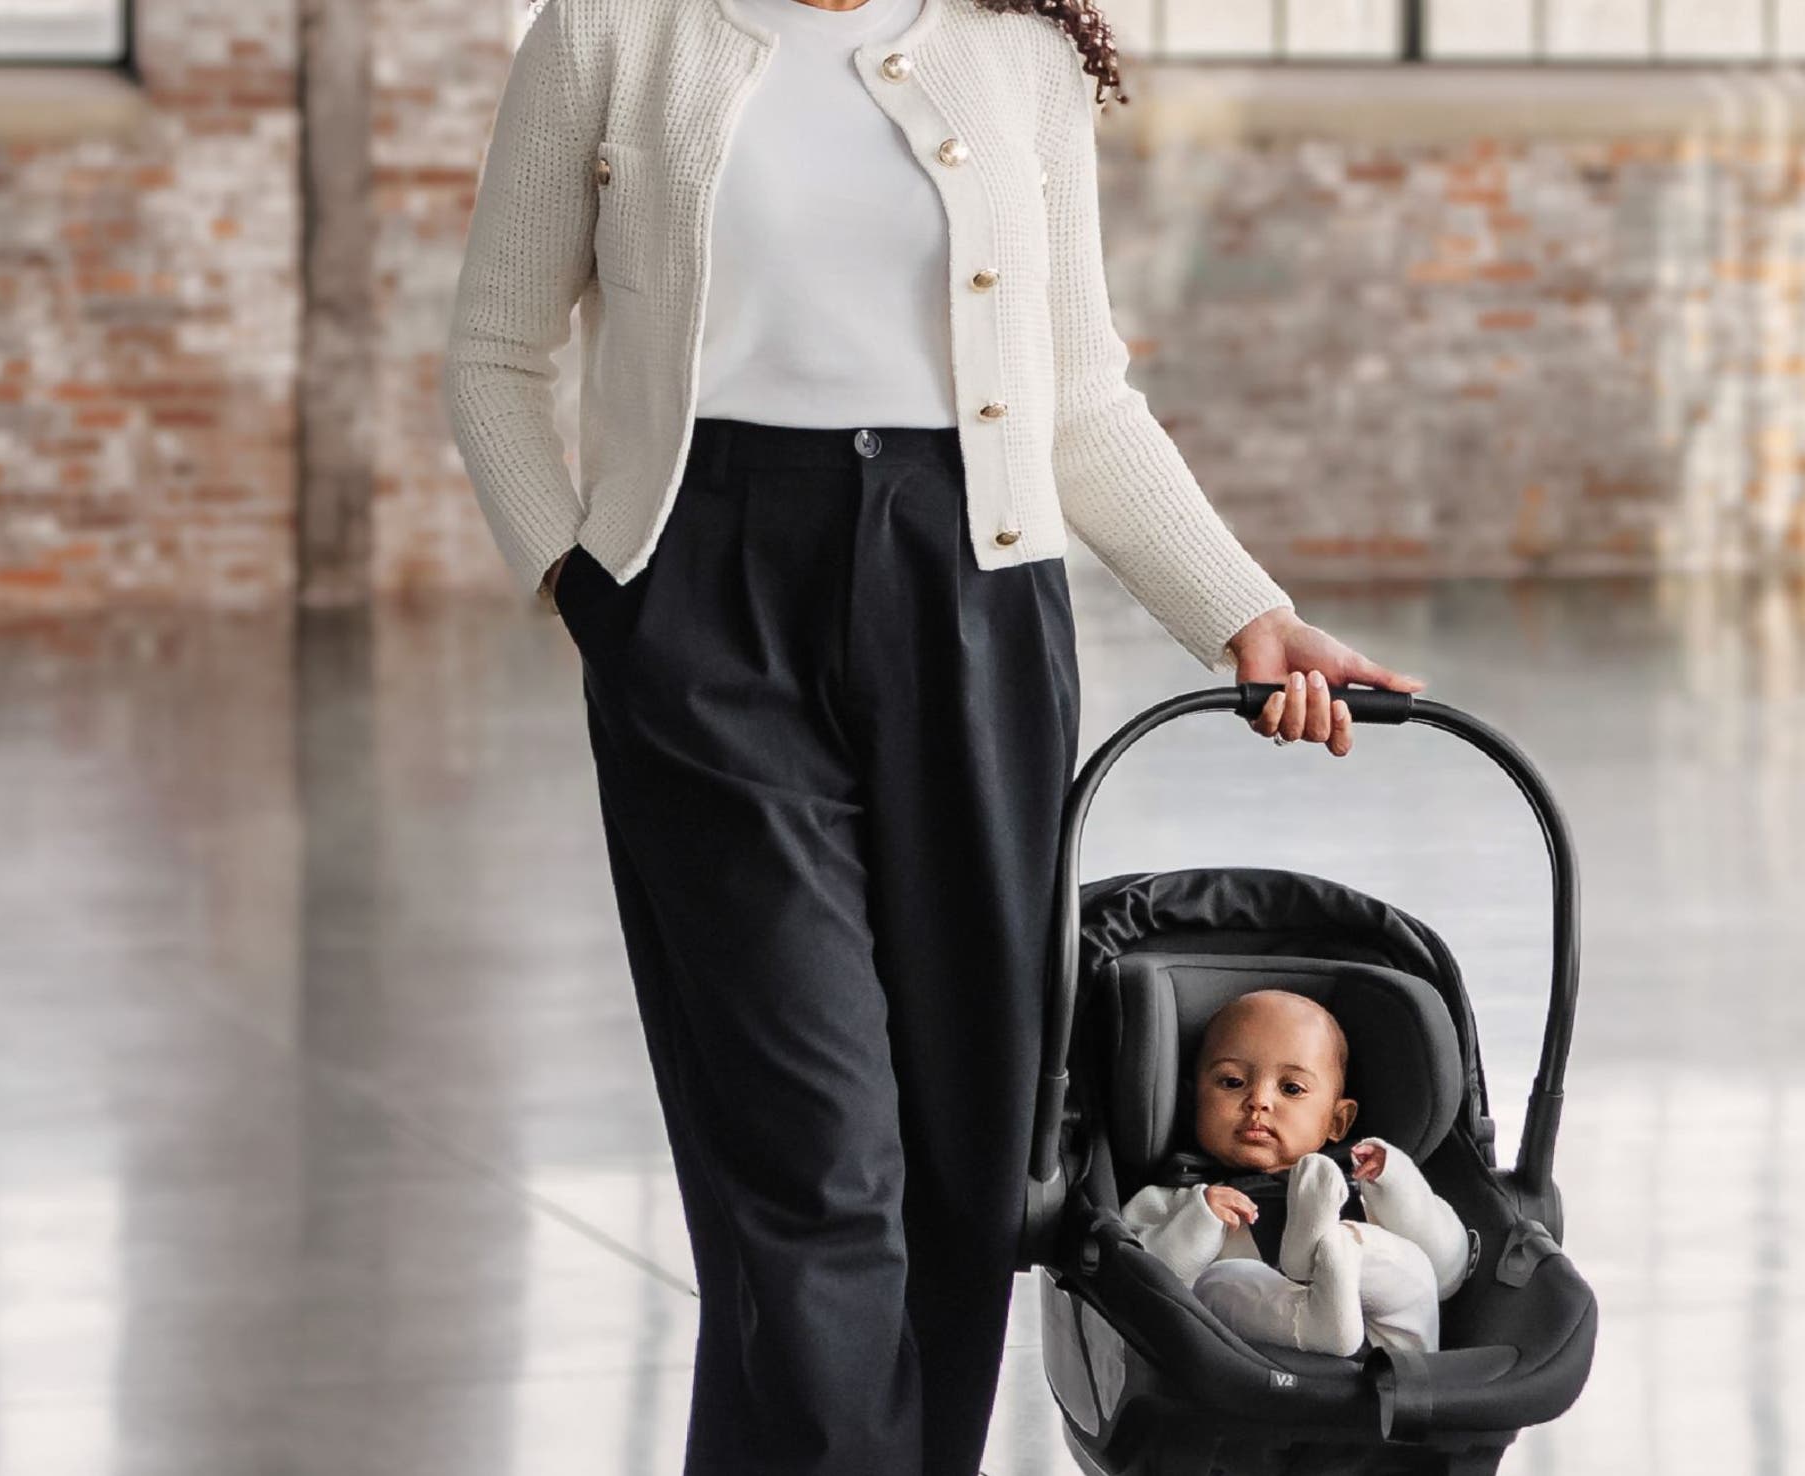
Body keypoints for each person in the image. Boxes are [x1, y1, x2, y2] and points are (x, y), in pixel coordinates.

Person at [440, 0, 1428, 1469]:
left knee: (971, 1164)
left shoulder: (1016, 54)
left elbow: (1079, 393)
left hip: (977, 606)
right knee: (811, 1155)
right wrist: (599, 595)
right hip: (706, 609)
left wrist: (1242, 612)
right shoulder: (610, 30)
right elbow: (494, 351)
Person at [1123, 990, 1472, 1356]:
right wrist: (1200, 1220)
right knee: (1217, 1285)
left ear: (1338, 1121)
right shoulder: (1177, 1198)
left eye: (1291, 1088)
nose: (1259, 1100)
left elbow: (1448, 1271)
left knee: (1415, 1268)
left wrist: (1395, 1181)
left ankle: (1330, 1248)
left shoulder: (1365, 1190)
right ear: (1194, 1101)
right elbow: (1138, 1289)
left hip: (1390, 1360)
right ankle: (1314, 1321)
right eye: (1231, 1082)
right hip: (1254, 1367)